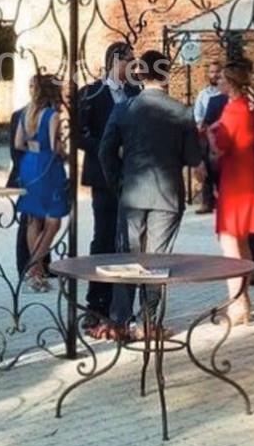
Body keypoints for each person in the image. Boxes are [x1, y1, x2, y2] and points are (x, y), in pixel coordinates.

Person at [100, 50, 203, 335]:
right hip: (167, 195)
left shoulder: (124, 109)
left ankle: (120, 321)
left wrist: (117, 183)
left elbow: (104, 151)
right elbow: (193, 157)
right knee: (156, 261)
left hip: (132, 192)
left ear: (140, 75)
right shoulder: (181, 112)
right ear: (167, 75)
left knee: (127, 256)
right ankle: (148, 321)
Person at [76, 43, 138, 331]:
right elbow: (77, 136)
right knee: (102, 240)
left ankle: (121, 307)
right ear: (115, 61)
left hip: (130, 178)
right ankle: (95, 304)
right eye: (130, 60)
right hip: (102, 177)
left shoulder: (135, 93)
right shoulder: (90, 93)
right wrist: (108, 148)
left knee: (125, 241)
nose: (134, 66)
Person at [207, 59, 254, 325]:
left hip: (235, 181)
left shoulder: (232, 110)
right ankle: (244, 303)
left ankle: (238, 304)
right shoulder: (249, 107)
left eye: (221, 78)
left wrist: (210, 134)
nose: (217, 81)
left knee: (230, 243)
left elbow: (220, 147)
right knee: (242, 242)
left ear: (230, 83)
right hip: (248, 176)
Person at [15, 74, 69, 293]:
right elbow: (55, 146)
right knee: (54, 221)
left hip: (29, 165)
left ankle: (36, 273)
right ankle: (34, 268)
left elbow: (19, 143)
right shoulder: (52, 115)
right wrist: (65, 152)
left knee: (33, 219)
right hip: (48, 167)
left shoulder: (26, 114)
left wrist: (34, 149)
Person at [194, 61, 224, 214]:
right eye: (212, 72)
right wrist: (201, 125)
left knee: (221, 168)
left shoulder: (225, 94)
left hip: (222, 134)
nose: (215, 75)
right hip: (206, 135)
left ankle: (222, 200)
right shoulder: (203, 94)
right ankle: (207, 201)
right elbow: (197, 115)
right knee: (206, 166)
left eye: (217, 71)